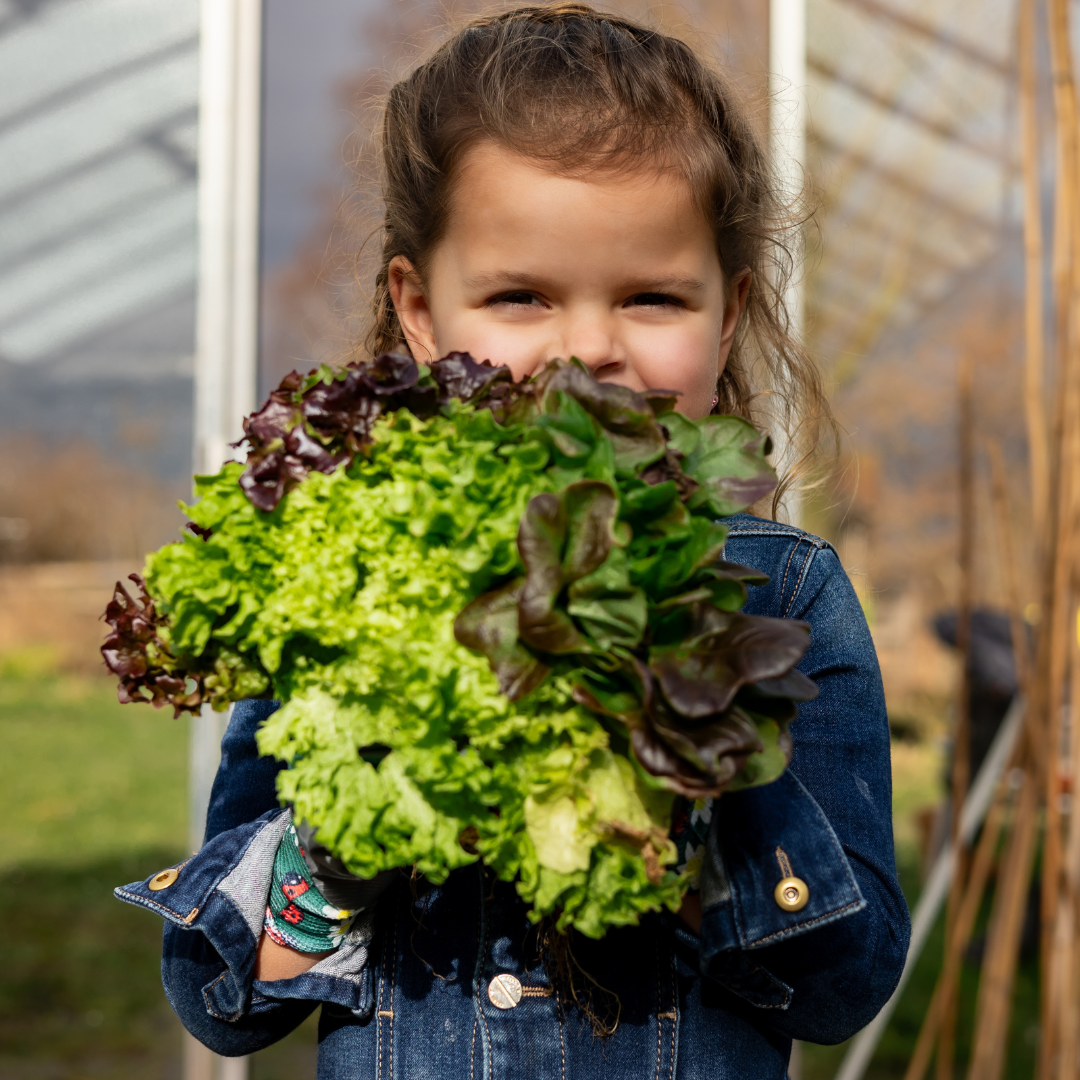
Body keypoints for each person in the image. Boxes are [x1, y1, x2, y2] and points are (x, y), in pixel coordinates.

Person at [116, 6, 910, 1076]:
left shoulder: (784, 595)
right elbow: (222, 1000)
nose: (588, 348)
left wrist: (695, 763)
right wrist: (344, 836)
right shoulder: (346, 593)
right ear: (419, 310)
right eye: (520, 296)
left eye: (653, 297)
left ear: (727, 316)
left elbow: (848, 984)